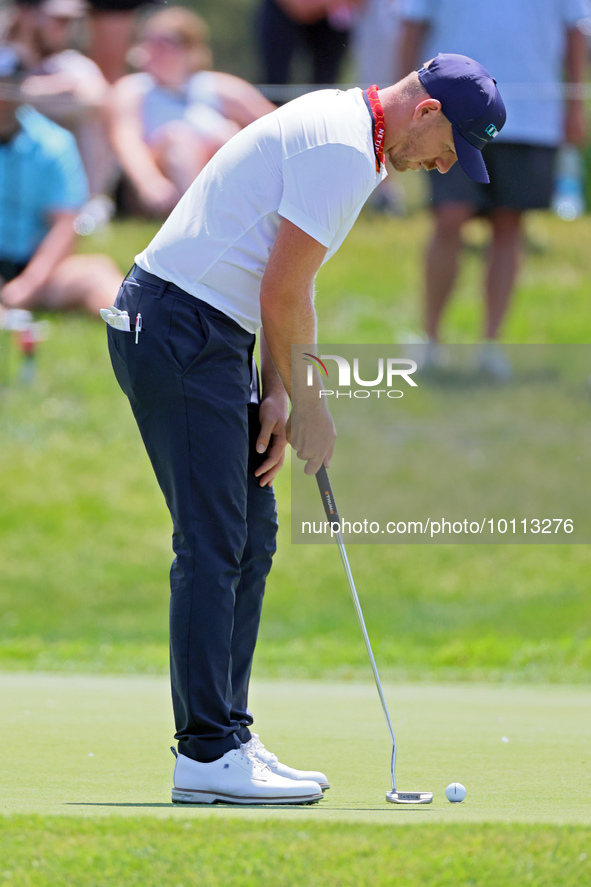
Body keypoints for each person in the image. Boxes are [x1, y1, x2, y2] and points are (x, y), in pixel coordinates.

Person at [105, 53, 505, 804]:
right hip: (179, 328)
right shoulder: (343, 147)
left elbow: (288, 280)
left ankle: (227, 733)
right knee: (214, 537)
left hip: (210, 333)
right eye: (453, 146)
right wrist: (315, 408)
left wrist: (280, 393)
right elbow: (283, 289)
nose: (449, 164)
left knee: (250, 535)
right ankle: (204, 752)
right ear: (425, 112)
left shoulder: (349, 133)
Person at [398, 0, 590, 375]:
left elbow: (575, 32)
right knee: (449, 218)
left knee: (509, 225)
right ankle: (430, 341)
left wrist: (575, 105)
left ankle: (490, 346)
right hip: (450, 115)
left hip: (533, 116)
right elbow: (413, 25)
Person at [109, 6, 276, 217]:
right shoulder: (133, 89)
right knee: (178, 138)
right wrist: (149, 182)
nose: (153, 49)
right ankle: (197, 217)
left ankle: (247, 210)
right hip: (158, 186)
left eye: (164, 42)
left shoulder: (216, 86)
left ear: (189, 49)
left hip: (209, 172)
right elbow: (126, 141)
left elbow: (277, 126)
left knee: (228, 134)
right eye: (149, 41)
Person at [0, 44, 122, 316]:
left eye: (7, 87)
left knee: (96, 273)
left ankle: (145, 334)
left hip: (36, 266)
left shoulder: (53, 143)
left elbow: (65, 225)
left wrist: (27, 286)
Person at [8, 0, 115, 202]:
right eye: (57, 20)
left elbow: (99, 98)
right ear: (25, 14)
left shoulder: (71, 63)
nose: (64, 28)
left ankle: (86, 203)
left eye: (68, 22)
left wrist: (23, 93)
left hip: (60, 166)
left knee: (90, 117)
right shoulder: (7, 57)